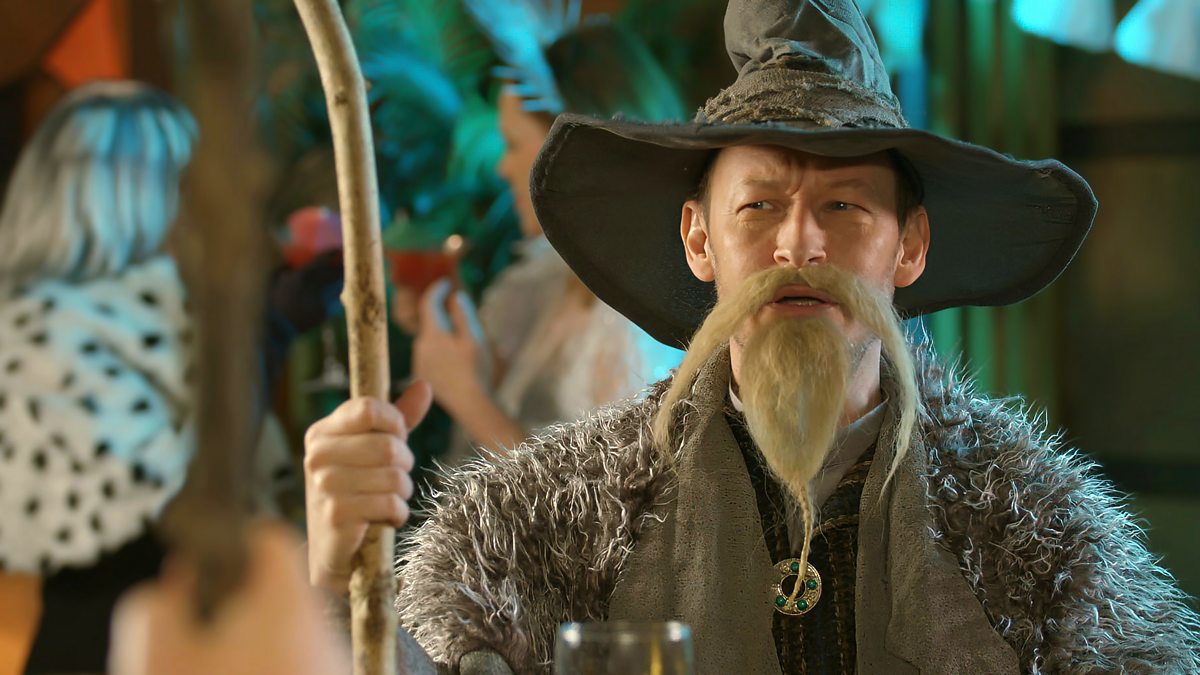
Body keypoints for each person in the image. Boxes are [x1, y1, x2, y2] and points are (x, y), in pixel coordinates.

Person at [303, 0, 1200, 673]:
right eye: (760, 205)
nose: (798, 245)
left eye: (843, 206)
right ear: (699, 239)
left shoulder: (1044, 557)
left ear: (910, 246)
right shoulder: (540, 541)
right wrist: (342, 581)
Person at [408, 12, 686, 461]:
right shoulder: (562, 278)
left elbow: (612, 497)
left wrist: (468, 399)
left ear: (573, 159)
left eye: (515, 145)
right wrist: (461, 347)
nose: (503, 167)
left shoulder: (637, 326)